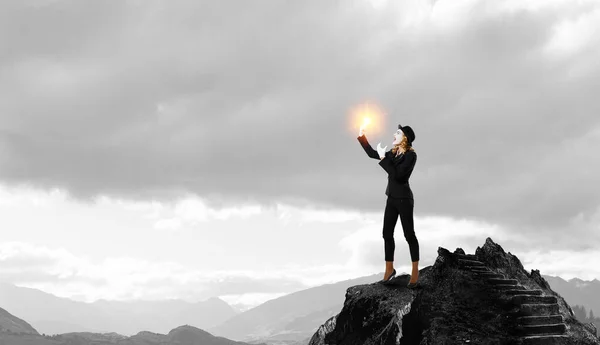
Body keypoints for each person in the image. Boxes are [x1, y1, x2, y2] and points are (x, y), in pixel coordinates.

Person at [357, 123, 420, 288]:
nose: (394, 134)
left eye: (398, 133)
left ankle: (415, 272)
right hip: (391, 198)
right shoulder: (393, 154)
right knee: (386, 233)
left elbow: (398, 176)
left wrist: (384, 159)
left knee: (409, 234)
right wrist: (362, 136)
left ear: (405, 138)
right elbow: (372, 154)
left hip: (404, 199)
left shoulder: (410, 156)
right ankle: (389, 269)